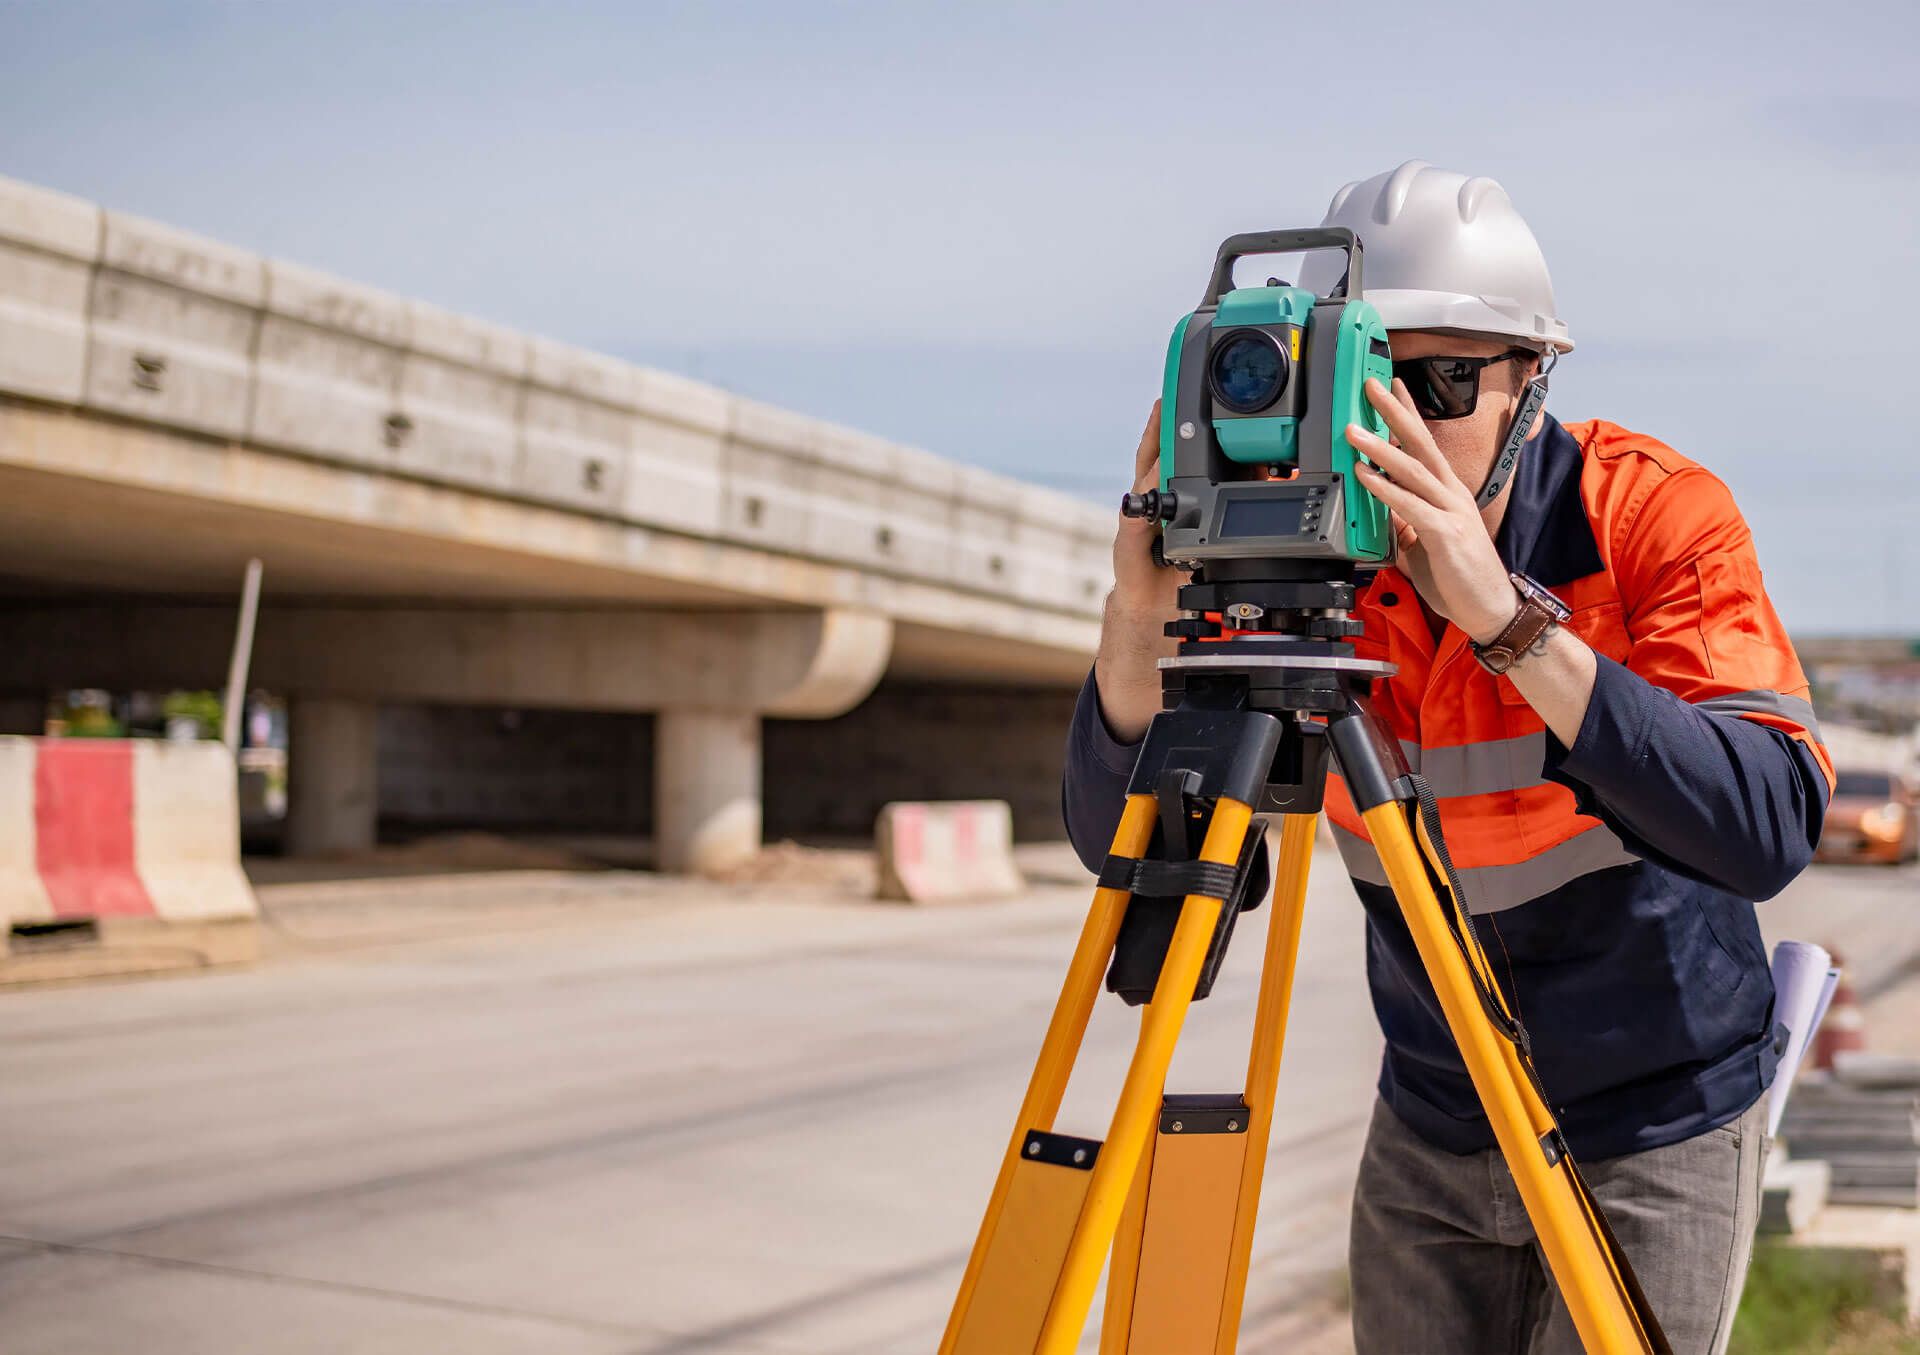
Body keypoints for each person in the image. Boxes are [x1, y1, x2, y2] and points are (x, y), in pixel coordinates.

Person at [1062, 161, 1833, 1355]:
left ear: (1535, 383)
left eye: (1441, 380)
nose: (1402, 423)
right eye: (1371, 380)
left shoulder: (1651, 519)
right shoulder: (1312, 573)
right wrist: (1136, 617)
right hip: (1435, 1117)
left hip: (1657, 1121)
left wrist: (1507, 620)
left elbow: (1764, 825)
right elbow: (1151, 895)